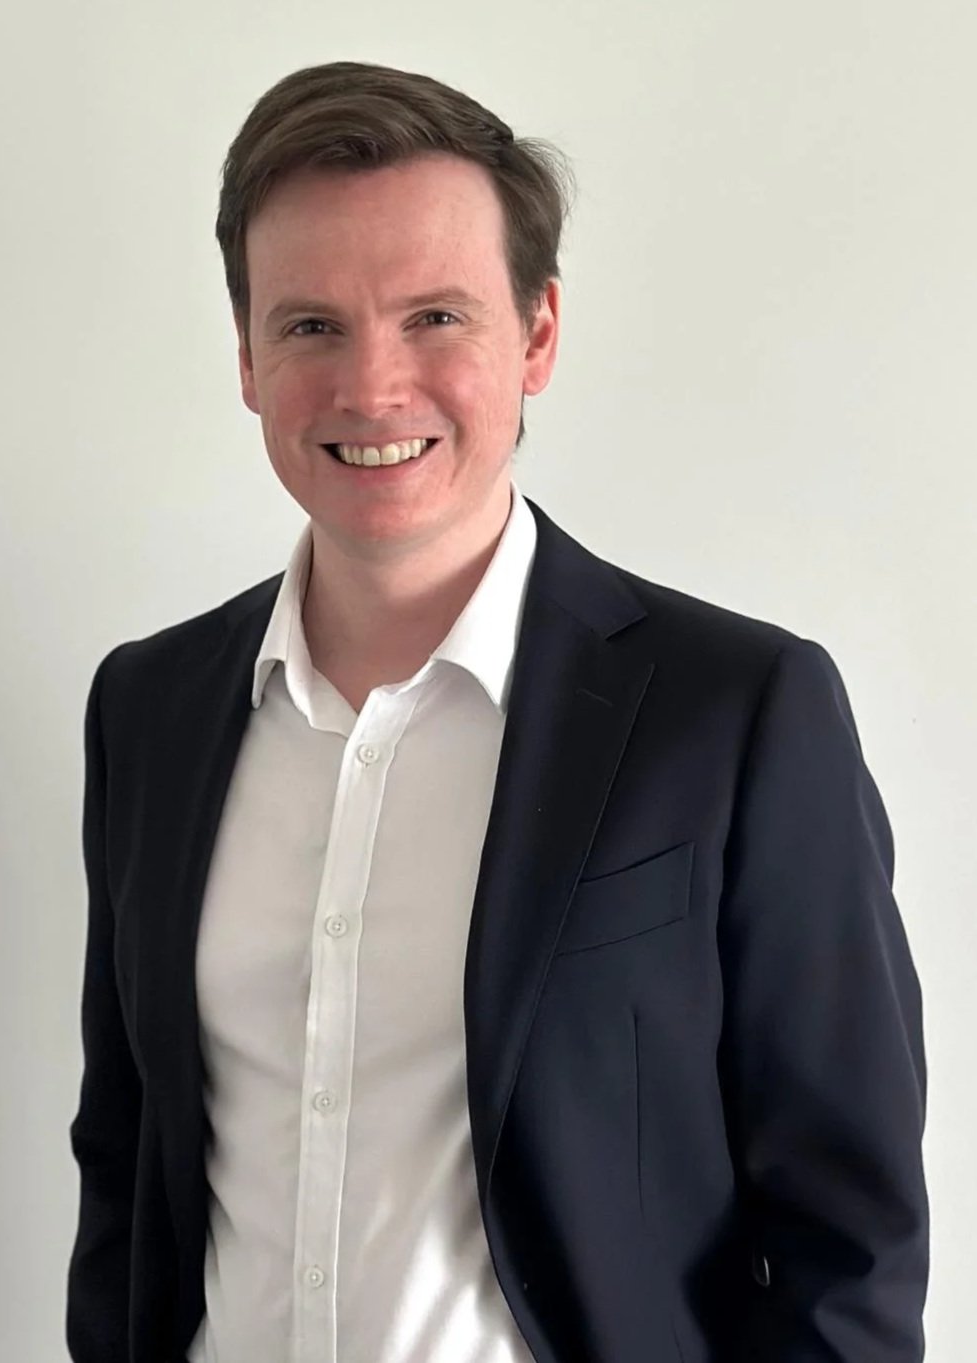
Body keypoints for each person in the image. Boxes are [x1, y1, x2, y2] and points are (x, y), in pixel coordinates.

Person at [66, 60, 928, 1363]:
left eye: (433, 317)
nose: (370, 386)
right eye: (310, 326)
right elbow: (129, 1163)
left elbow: (845, 1240)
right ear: (244, 355)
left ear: (535, 336)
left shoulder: (735, 713)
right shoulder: (151, 708)